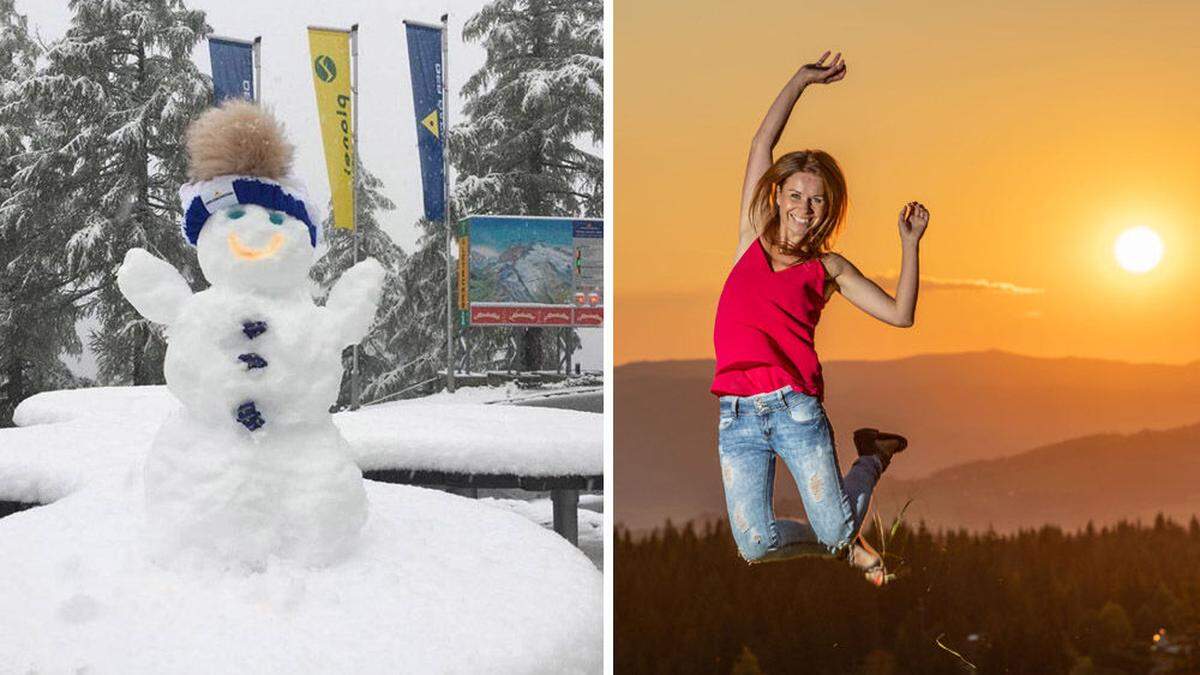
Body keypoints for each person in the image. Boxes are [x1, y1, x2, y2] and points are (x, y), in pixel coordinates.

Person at [711, 51, 928, 585]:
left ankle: (871, 458)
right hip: (736, 417)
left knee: (835, 531)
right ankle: (843, 546)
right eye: (796, 195)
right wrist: (801, 80)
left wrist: (910, 245)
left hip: (795, 410)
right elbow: (762, 143)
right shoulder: (749, 240)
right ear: (778, 196)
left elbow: (900, 316)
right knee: (756, 546)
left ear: (828, 208)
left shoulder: (827, 268)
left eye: (817, 200)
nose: (805, 208)